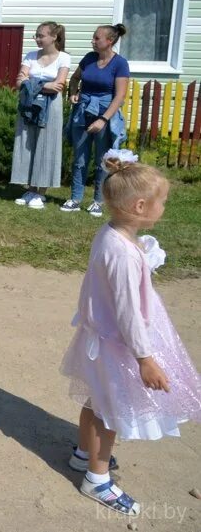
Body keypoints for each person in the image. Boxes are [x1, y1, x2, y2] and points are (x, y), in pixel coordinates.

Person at [60, 150, 200, 517]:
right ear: (140, 205)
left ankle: (83, 454)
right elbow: (126, 312)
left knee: (94, 400)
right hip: (119, 343)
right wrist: (145, 359)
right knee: (110, 411)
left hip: (101, 338)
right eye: (162, 202)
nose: (164, 208)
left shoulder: (112, 234)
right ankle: (97, 477)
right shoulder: (121, 253)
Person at [63, 24, 131, 217]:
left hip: (105, 114)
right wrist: (73, 94)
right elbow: (75, 79)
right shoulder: (89, 58)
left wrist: (103, 119)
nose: (93, 41)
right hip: (83, 111)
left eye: (96, 38)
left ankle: (98, 201)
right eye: (93, 38)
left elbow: (120, 96)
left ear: (109, 41)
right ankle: (75, 199)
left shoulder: (120, 64)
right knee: (79, 158)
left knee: (102, 160)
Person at [11, 22, 71, 209]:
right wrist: (45, 85)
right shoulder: (30, 56)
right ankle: (30, 188)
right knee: (27, 143)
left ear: (54, 37)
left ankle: (41, 193)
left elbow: (59, 85)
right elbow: (19, 82)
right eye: (36, 35)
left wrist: (32, 82)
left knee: (47, 145)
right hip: (28, 104)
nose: (37, 39)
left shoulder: (64, 58)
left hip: (51, 107)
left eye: (41, 36)